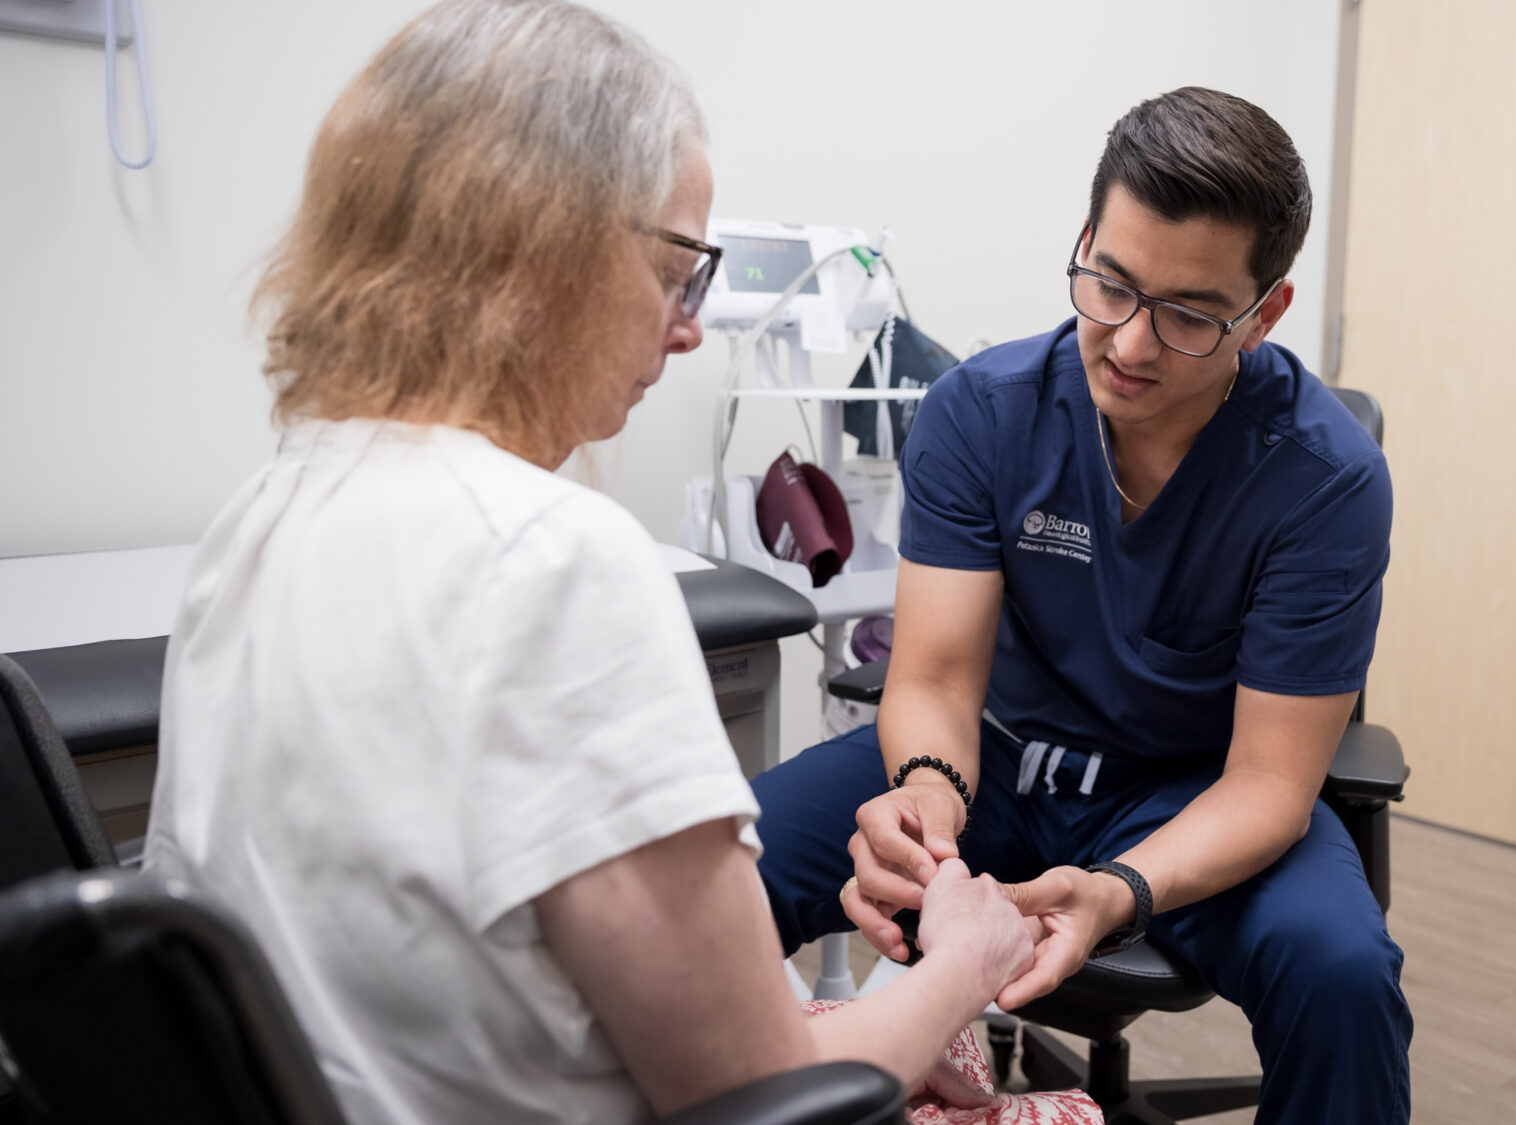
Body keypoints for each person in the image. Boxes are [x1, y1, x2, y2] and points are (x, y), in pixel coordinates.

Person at [142, 2, 1036, 1122]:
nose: (688, 330)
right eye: (678, 269)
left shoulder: (265, 514)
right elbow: (766, 1095)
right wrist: (961, 963)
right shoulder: (549, 559)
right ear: (541, 243)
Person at [751, 87, 1413, 1123]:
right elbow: (931, 679)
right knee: (715, 872)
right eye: (1110, 283)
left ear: (1265, 313)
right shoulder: (984, 411)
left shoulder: (1323, 477)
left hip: (1193, 794)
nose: (1131, 344)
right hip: (1002, 763)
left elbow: (1271, 783)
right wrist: (925, 799)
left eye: (1190, 315)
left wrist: (1117, 891)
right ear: (1085, 239)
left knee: (1341, 973)